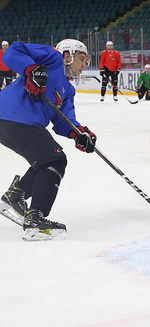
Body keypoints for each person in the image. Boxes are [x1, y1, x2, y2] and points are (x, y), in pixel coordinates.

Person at [0, 39, 97, 241]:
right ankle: (35, 219)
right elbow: (11, 52)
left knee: (47, 159)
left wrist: (80, 134)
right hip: (12, 114)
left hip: (16, 122)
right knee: (54, 159)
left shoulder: (67, 91)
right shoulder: (53, 59)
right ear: (67, 56)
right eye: (81, 59)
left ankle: (15, 196)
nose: (84, 64)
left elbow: (64, 122)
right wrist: (32, 69)